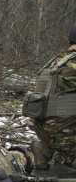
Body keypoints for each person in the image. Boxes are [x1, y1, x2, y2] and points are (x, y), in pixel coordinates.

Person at [23, 23, 76, 170]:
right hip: (66, 137)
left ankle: (45, 149)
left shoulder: (56, 61)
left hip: (45, 133)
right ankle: (62, 156)